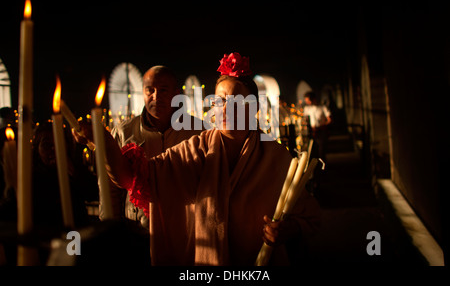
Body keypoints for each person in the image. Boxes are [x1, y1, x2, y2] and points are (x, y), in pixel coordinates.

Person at [73, 52, 320, 265]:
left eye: (234, 100)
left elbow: (309, 216)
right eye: (219, 100)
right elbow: (136, 178)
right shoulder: (198, 149)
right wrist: (102, 141)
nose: (223, 108)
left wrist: (289, 229)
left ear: (253, 107)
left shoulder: (275, 157)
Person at [108, 65, 204, 228]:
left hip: (185, 228)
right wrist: (110, 228)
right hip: (137, 229)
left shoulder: (198, 131)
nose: (156, 96)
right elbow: (111, 189)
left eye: (164, 90)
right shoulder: (124, 132)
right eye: (150, 90)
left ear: (176, 93)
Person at [303, 91, 332, 163]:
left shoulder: (323, 107)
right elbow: (305, 119)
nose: (307, 103)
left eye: (308, 101)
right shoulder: (307, 109)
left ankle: (323, 167)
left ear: (313, 99)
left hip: (321, 131)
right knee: (312, 151)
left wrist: (322, 126)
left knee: (321, 151)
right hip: (312, 132)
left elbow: (329, 120)